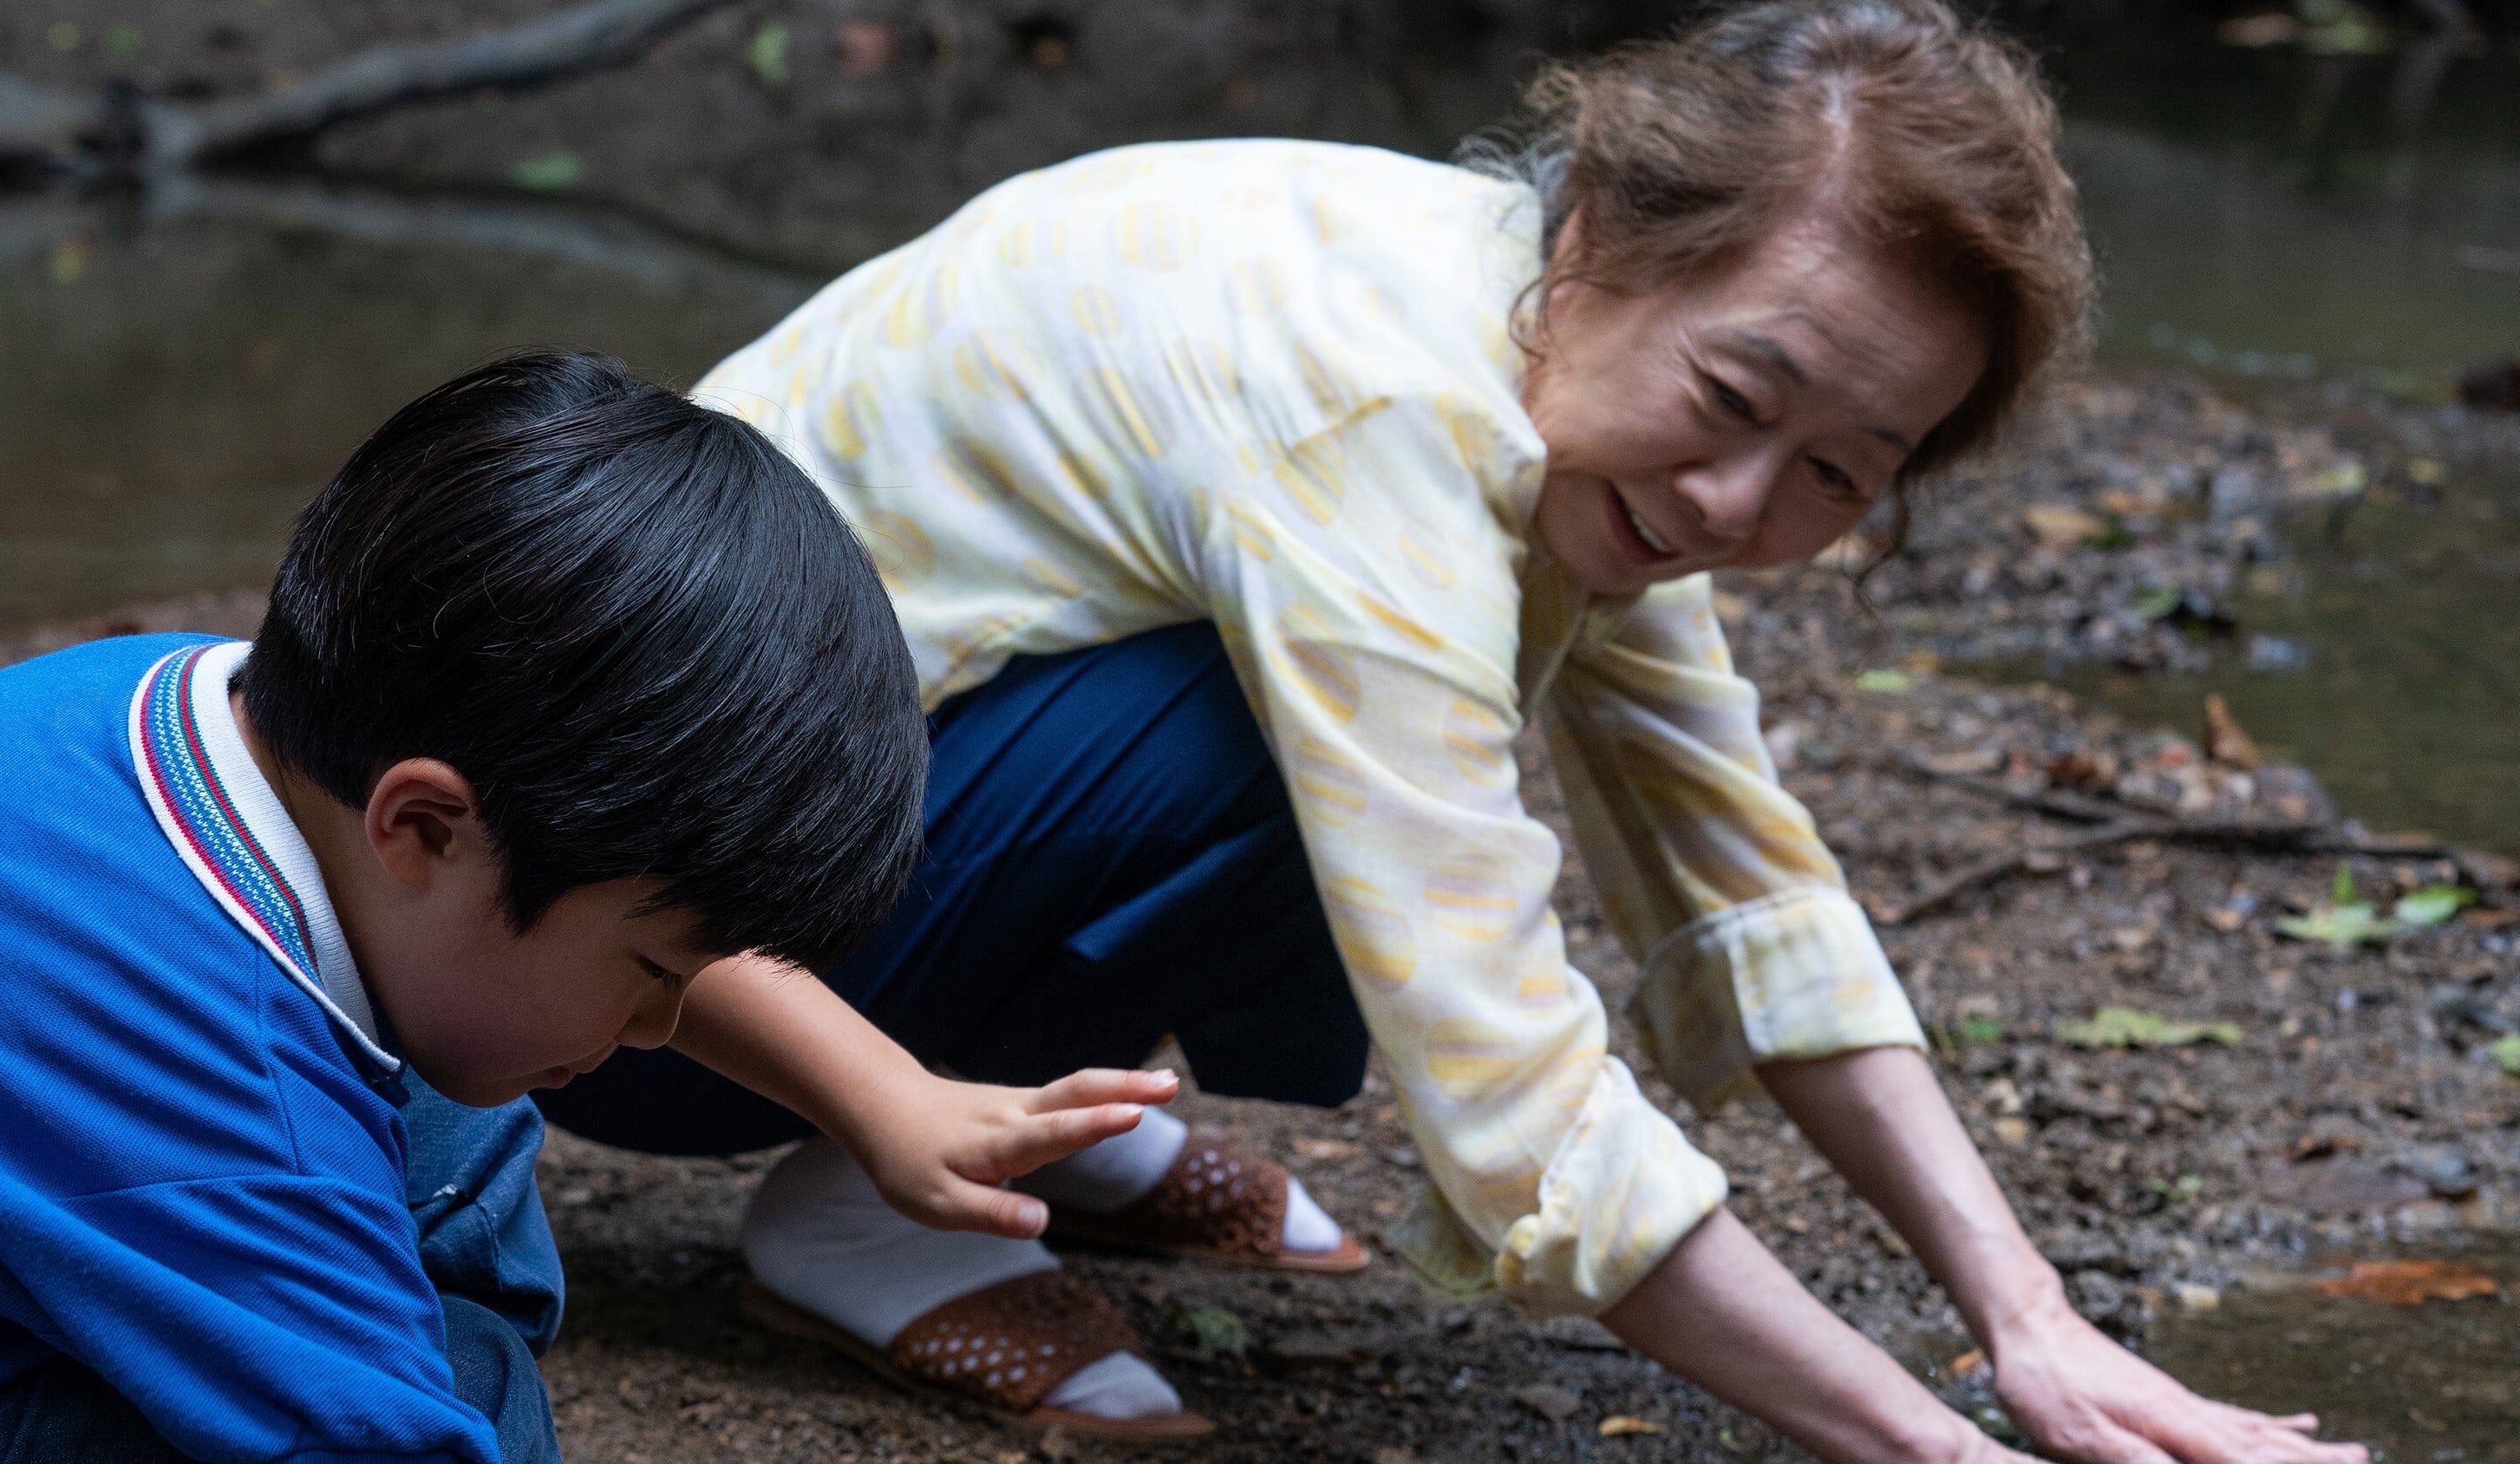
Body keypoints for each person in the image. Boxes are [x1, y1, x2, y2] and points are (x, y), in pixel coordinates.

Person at [540, 4, 2367, 1460]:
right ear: (1604, 234)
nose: (1739, 502)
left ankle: (1033, 1099)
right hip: (629, 977)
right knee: (1297, 747)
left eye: (1838, 472)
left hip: (822, 843)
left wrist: (2031, 1318)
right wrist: (1931, 1445)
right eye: (1738, 394)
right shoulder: (1387, 419)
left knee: (1337, 704)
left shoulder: (1537, 347)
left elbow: (1741, 876)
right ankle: (872, 1201)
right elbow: (1503, 1071)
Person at [0, 351, 1176, 1463]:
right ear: (422, 826)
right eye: (654, 973)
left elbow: (608, 901)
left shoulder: (194, 708)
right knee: (468, 1384)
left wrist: (883, 1096)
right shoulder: (236, 1115)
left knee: (457, 1126)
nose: (656, 1026)